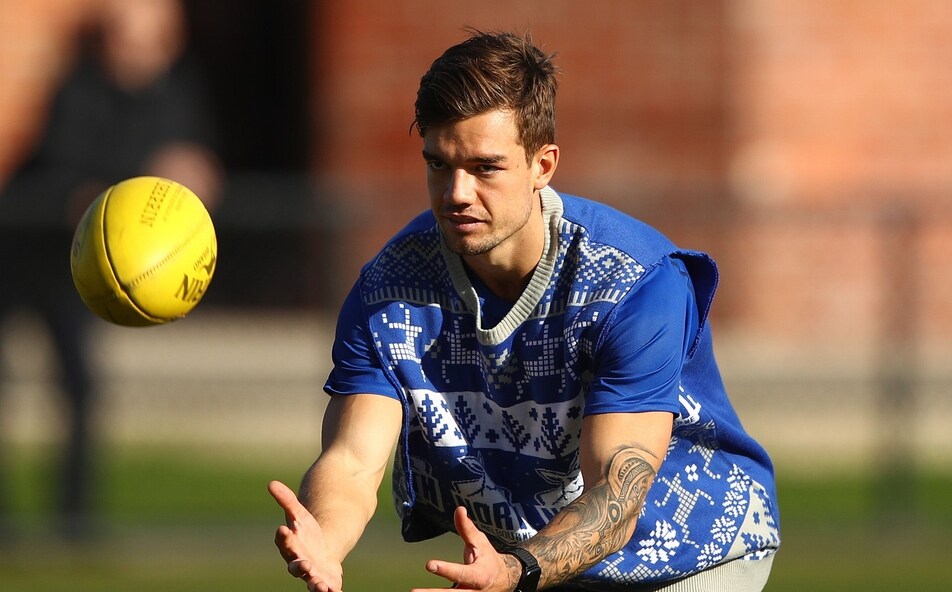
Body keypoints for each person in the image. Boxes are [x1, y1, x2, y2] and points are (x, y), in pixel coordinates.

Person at [270, 30, 780, 591]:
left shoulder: (636, 283)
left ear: (543, 165)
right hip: (533, 558)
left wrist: (515, 571)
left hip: (691, 553)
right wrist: (326, 538)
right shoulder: (389, 289)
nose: (456, 193)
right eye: (438, 164)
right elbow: (351, 461)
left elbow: (617, 493)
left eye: (485, 167)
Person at [0, 0, 220, 540]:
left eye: (152, 41)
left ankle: (75, 523)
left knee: (80, 388)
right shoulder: (77, 91)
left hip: (80, 278)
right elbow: (64, 180)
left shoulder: (176, 96)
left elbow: (194, 168)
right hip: (23, 254)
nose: (138, 52)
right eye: (125, 39)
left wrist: (196, 176)